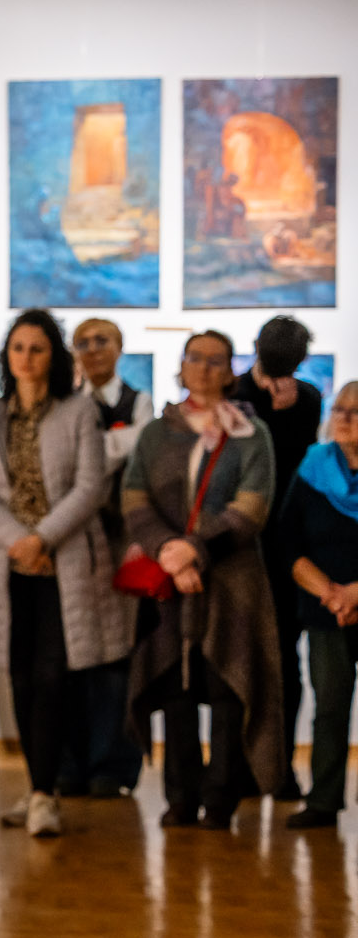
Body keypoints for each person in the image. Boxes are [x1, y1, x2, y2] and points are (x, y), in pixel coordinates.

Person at [0, 310, 123, 839]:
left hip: (63, 561)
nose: (27, 358)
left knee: (54, 677)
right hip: (11, 564)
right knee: (20, 675)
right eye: (18, 348)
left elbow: (91, 486)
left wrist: (43, 539)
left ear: (52, 356)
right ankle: (38, 786)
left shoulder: (79, 411)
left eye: (37, 348)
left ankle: (43, 793)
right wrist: (18, 540)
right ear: (6, 356)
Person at [125, 332, 282, 830]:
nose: (205, 368)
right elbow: (134, 498)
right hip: (170, 581)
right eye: (196, 358)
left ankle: (220, 800)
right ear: (182, 365)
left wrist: (194, 549)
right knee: (177, 691)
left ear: (231, 370)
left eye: (217, 360)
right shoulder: (157, 433)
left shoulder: (251, 434)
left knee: (227, 690)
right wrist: (169, 554)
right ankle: (180, 798)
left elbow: (252, 506)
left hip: (233, 581)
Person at [230, 315, 323, 802]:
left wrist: (285, 413)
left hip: (287, 546)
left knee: (286, 661)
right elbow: (241, 463)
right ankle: (237, 767)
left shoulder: (307, 399)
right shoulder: (234, 394)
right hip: (240, 545)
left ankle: (280, 768)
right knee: (239, 658)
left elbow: (293, 465)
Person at [66, 317, 151, 799]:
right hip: (75, 543)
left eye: (102, 341)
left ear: (120, 347)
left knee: (118, 658)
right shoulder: (67, 403)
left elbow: (135, 450)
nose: (93, 349)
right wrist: (113, 445)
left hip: (123, 544)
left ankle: (114, 766)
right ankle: (74, 764)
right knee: (76, 655)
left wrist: (91, 449)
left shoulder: (139, 402)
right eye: (83, 342)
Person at [280, 383, 358, 830]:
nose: (344, 417)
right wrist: (332, 594)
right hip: (325, 608)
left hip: (348, 599)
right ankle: (324, 801)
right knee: (329, 705)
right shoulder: (313, 468)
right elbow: (288, 541)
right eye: (340, 409)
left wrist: (355, 594)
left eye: (356, 411)